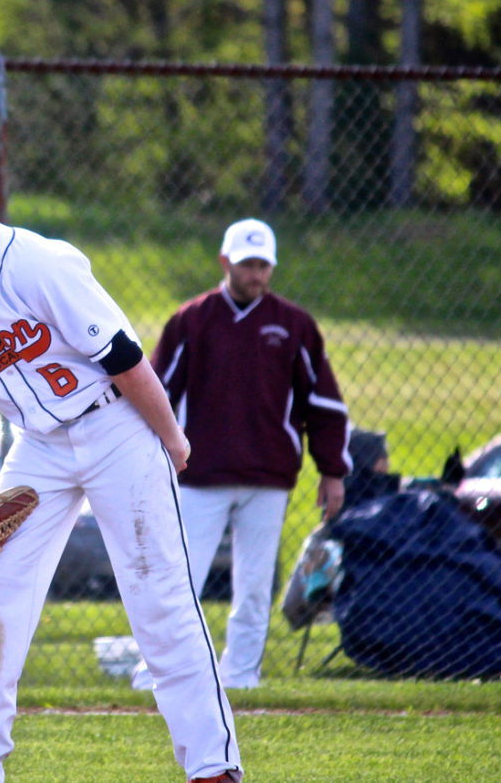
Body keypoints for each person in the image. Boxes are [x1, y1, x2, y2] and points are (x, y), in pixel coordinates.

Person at [0, 134, 242, 783]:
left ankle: (212, 768)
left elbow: (125, 359)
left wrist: (173, 443)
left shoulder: (40, 264)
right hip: (37, 446)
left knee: (159, 600)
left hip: (114, 428)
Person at [132, 218, 350, 690]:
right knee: (179, 580)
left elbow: (325, 405)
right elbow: (152, 391)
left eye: (264, 265)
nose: (256, 275)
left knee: (253, 588)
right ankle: (164, 670)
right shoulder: (191, 320)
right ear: (225, 261)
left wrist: (332, 471)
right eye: (248, 264)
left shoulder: (295, 326)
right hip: (199, 476)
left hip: (267, 478)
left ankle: (242, 674)